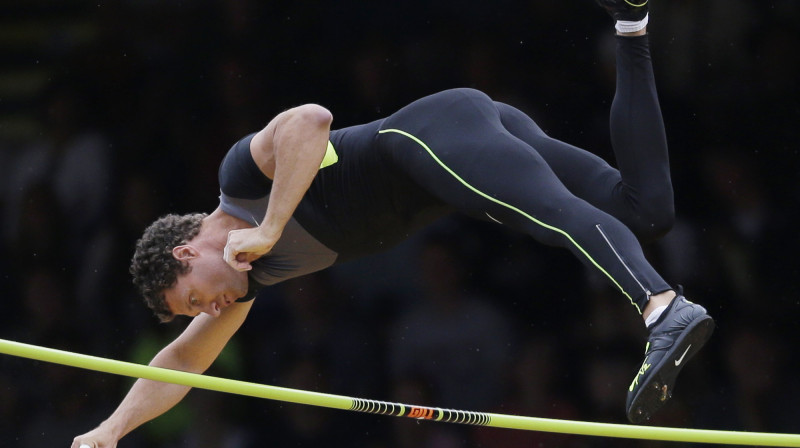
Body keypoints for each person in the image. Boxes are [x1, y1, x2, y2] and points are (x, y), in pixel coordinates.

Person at [72, 1, 714, 446]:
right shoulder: (247, 281)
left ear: (187, 252)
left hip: (429, 138)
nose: (208, 311)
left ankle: (661, 307)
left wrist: (269, 226)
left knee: (555, 217)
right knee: (644, 212)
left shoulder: (239, 182)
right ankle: (632, 22)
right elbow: (180, 361)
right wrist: (109, 432)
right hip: (466, 145)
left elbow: (310, 120)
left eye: (193, 299)